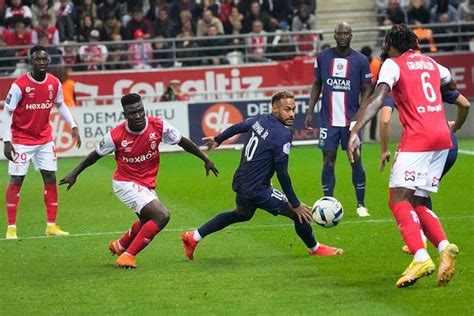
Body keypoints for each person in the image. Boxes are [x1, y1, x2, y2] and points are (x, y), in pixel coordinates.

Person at [347, 24, 469, 288]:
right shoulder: (433, 64)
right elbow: (454, 90)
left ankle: (421, 256)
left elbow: (378, 99)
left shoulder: (392, 64)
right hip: (443, 138)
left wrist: (355, 130)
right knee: (417, 200)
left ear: (392, 44)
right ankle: (444, 247)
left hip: (419, 138)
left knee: (397, 199)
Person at [59, 93, 218, 269]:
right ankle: (128, 256)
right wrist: (75, 173)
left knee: (146, 221)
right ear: (125, 114)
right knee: (161, 216)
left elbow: (182, 142)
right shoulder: (116, 135)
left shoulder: (158, 126)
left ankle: (120, 245)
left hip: (146, 184)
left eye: (140, 111)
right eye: (132, 113)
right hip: (125, 183)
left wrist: (205, 159)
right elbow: (95, 155)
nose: (137, 116)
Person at [180, 90, 343, 260]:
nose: (292, 114)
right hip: (257, 189)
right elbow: (282, 173)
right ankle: (314, 248)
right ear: (275, 108)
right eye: (287, 109)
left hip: (242, 181)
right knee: (299, 215)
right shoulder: (282, 134)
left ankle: (193, 237)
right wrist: (295, 203)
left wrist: (219, 138)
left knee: (241, 214)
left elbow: (240, 126)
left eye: (293, 109)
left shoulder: (261, 119)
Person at [2, 45, 81, 240]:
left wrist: (72, 125)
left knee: (50, 178)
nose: (42, 62)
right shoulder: (19, 85)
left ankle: (51, 226)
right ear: (31, 61)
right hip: (21, 140)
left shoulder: (54, 83)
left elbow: (61, 105)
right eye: (38, 59)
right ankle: (11, 228)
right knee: (17, 180)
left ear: (49, 61)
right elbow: (7, 113)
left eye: (45, 59)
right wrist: (6, 140)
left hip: (44, 139)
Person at [379, 90, 470, 254]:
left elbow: (385, 119)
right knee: (420, 195)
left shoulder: (396, 82)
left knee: (404, 198)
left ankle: (421, 243)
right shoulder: (431, 76)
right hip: (448, 144)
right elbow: (465, 103)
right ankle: (437, 243)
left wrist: (384, 149)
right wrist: (455, 126)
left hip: (423, 146)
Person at [304, 22, 372, 217]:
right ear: (334, 35)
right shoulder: (324, 57)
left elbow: (367, 87)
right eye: (339, 33)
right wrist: (310, 111)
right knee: (328, 160)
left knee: (355, 159)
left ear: (351, 36)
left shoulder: (360, 60)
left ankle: (361, 205)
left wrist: (362, 111)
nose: (342, 36)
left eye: (346, 33)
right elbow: (317, 83)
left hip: (352, 121)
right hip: (329, 119)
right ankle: (328, 201)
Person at [360, 45, 382, 142]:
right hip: (363, 90)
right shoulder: (361, 63)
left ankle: (372, 137)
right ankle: (361, 136)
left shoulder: (377, 63)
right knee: (362, 113)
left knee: (373, 113)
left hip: (373, 90)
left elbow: (379, 77)